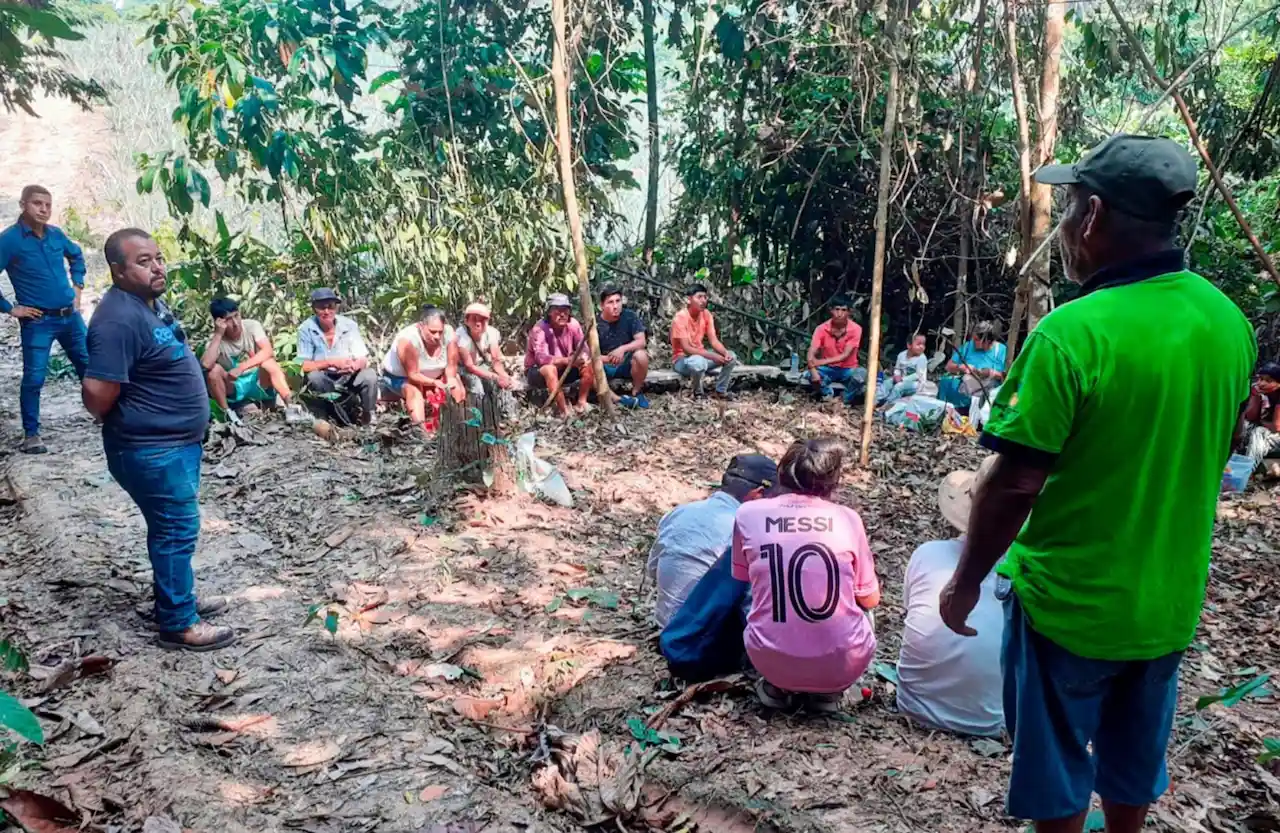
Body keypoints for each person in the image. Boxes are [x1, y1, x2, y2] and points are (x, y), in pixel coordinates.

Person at [939, 135, 1256, 833]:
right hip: (1166, 604)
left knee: (1054, 766)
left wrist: (965, 581)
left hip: (1069, 606)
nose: (1065, 222)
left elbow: (1015, 483)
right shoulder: (1228, 324)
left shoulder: (1070, 335)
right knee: (1133, 759)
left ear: (1092, 216)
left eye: (1071, 204)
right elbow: (1218, 439)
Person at [81, 228, 234, 651]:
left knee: (170, 530)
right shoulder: (117, 319)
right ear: (117, 270)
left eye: (159, 258)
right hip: (153, 450)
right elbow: (97, 397)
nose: (157, 267)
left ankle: (176, 597)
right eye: (144, 261)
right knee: (176, 529)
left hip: (173, 445)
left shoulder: (146, 303)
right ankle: (179, 623)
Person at [733, 438, 880, 712]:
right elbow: (870, 600)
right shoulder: (848, 519)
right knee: (864, 606)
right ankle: (828, 693)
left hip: (768, 658)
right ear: (833, 481)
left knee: (757, 590)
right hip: (843, 663)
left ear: (781, 474)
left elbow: (743, 580)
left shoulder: (747, 514)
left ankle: (776, 687)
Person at [896, 456, 1005, 737]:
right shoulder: (1023, 577)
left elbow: (909, 612)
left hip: (913, 707)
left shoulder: (926, 554)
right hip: (988, 723)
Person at [0, 185, 89, 454]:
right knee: (35, 377)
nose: (44, 209)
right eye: (37, 203)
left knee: (90, 366)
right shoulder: (10, 240)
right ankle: (32, 434)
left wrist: (78, 287)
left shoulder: (56, 234)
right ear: (23, 205)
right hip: (38, 322)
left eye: (48, 205)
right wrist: (10, 308)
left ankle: (108, 416)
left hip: (70, 317)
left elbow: (76, 256)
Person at [647, 454, 778, 629]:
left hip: (666, 626)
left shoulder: (680, 512)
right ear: (758, 494)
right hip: (707, 637)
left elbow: (653, 569)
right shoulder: (746, 529)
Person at [199, 298, 300, 424]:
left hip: (258, 381)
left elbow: (268, 351)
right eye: (228, 320)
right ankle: (228, 414)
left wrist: (241, 367)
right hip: (236, 387)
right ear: (219, 322)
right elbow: (206, 364)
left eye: (236, 316)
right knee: (213, 372)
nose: (235, 323)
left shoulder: (252, 326)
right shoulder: (215, 341)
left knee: (269, 362)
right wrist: (218, 334)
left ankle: (291, 405)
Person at [297, 288, 378, 426]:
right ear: (314, 309)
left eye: (331, 307)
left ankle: (368, 415)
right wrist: (331, 363)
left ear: (336, 307)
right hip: (325, 378)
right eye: (322, 308)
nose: (327, 311)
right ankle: (327, 415)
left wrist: (354, 366)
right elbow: (303, 365)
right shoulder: (306, 329)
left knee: (369, 375)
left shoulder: (349, 325)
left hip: (349, 376)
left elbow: (362, 358)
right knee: (313, 377)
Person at [381, 305, 459, 434]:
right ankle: (421, 432)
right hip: (401, 377)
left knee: (456, 384)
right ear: (420, 326)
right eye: (432, 332)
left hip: (436, 376)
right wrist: (434, 383)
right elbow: (413, 375)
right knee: (414, 391)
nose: (437, 336)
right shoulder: (408, 340)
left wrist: (449, 380)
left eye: (440, 332)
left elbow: (451, 365)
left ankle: (457, 427)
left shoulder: (449, 333)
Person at [525, 293, 594, 416]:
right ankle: (564, 411)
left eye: (565, 310)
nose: (562, 314)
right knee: (550, 369)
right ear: (549, 312)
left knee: (588, 364)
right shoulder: (539, 329)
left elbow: (584, 348)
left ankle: (581, 402)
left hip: (564, 369)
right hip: (539, 372)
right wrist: (568, 360)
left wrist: (582, 357)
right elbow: (541, 358)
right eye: (558, 310)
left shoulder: (573, 325)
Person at [671, 283, 738, 398]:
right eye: (699, 297)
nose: (703, 300)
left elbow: (714, 341)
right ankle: (698, 393)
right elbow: (687, 349)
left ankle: (721, 391)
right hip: (682, 361)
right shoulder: (680, 317)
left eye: (705, 297)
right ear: (689, 299)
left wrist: (725, 353)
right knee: (698, 362)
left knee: (732, 356)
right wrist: (712, 356)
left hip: (701, 358)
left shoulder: (706, 314)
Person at [452, 301, 515, 411]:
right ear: (466, 321)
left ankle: (506, 413)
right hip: (463, 368)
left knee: (502, 384)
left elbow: (496, 359)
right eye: (474, 319)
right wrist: (493, 376)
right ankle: (478, 416)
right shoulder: (461, 336)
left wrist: (503, 375)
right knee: (477, 387)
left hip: (481, 364)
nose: (478, 323)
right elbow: (469, 366)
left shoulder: (492, 333)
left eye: (482, 320)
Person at [596, 285, 650, 409]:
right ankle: (618, 399)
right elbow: (589, 354)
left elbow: (641, 341)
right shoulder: (595, 324)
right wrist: (609, 358)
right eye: (610, 302)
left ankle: (637, 391)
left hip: (626, 363)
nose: (615, 306)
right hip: (605, 366)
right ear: (602, 305)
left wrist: (622, 349)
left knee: (641, 355)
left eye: (618, 301)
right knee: (589, 366)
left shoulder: (630, 316)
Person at [806, 296, 863, 403]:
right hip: (828, 369)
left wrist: (820, 362)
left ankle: (843, 400)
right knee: (810, 375)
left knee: (861, 374)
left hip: (848, 369)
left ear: (849, 312)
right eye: (837, 309)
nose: (840, 314)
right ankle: (828, 396)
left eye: (843, 310)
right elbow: (812, 350)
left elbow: (845, 355)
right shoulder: (821, 329)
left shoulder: (856, 329)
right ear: (831, 310)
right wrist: (813, 369)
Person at [946, 321, 1007, 397]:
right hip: (967, 391)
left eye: (976, 339)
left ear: (987, 341)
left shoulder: (1001, 350)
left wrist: (991, 373)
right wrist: (961, 367)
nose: (973, 341)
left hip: (989, 393)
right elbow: (948, 366)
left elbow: (1006, 376)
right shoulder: (968, 346)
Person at [1241, 361, 1280, 473]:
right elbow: (1251, 416)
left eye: (1268, 380)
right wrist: (1255, 396)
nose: (1262, 383)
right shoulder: (1263, 393)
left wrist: (1261, 421)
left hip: (1276, 433)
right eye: (1260, 379)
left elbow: (1276, 427)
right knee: (1246, 425)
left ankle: (1247, 471)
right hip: (1272, 434)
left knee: (1259, 432)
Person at [877, 333, 931, 405]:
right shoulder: (901, 355)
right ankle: (875, 401)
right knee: (887, 382)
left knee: (898, 387)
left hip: (917, 384)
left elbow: (918, 375)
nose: (922, 347)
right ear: (909, 345)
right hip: (901, 379)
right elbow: (897, 368)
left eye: (923, 344)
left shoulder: (922, 358)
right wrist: (896, 376)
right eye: (918, 344)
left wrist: (902, 379)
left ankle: (887, 406)